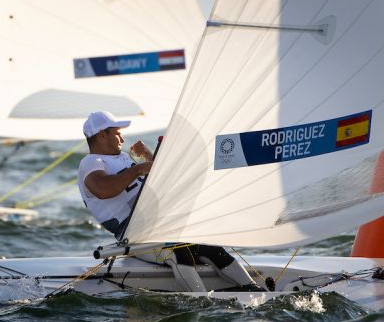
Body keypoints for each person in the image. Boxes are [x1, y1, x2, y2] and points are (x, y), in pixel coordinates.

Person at [77, 111, 262, 291]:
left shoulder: (123, 158)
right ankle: (202, 301)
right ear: (102, 136)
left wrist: (149, 157)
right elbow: (102, 189)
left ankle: (254, 290)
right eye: (118, 134)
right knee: (180, 252)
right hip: (134, 233)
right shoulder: (91, 162)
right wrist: (138, 169)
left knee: (210, 247)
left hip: (160, 224)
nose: (122, 139)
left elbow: (164, 182)